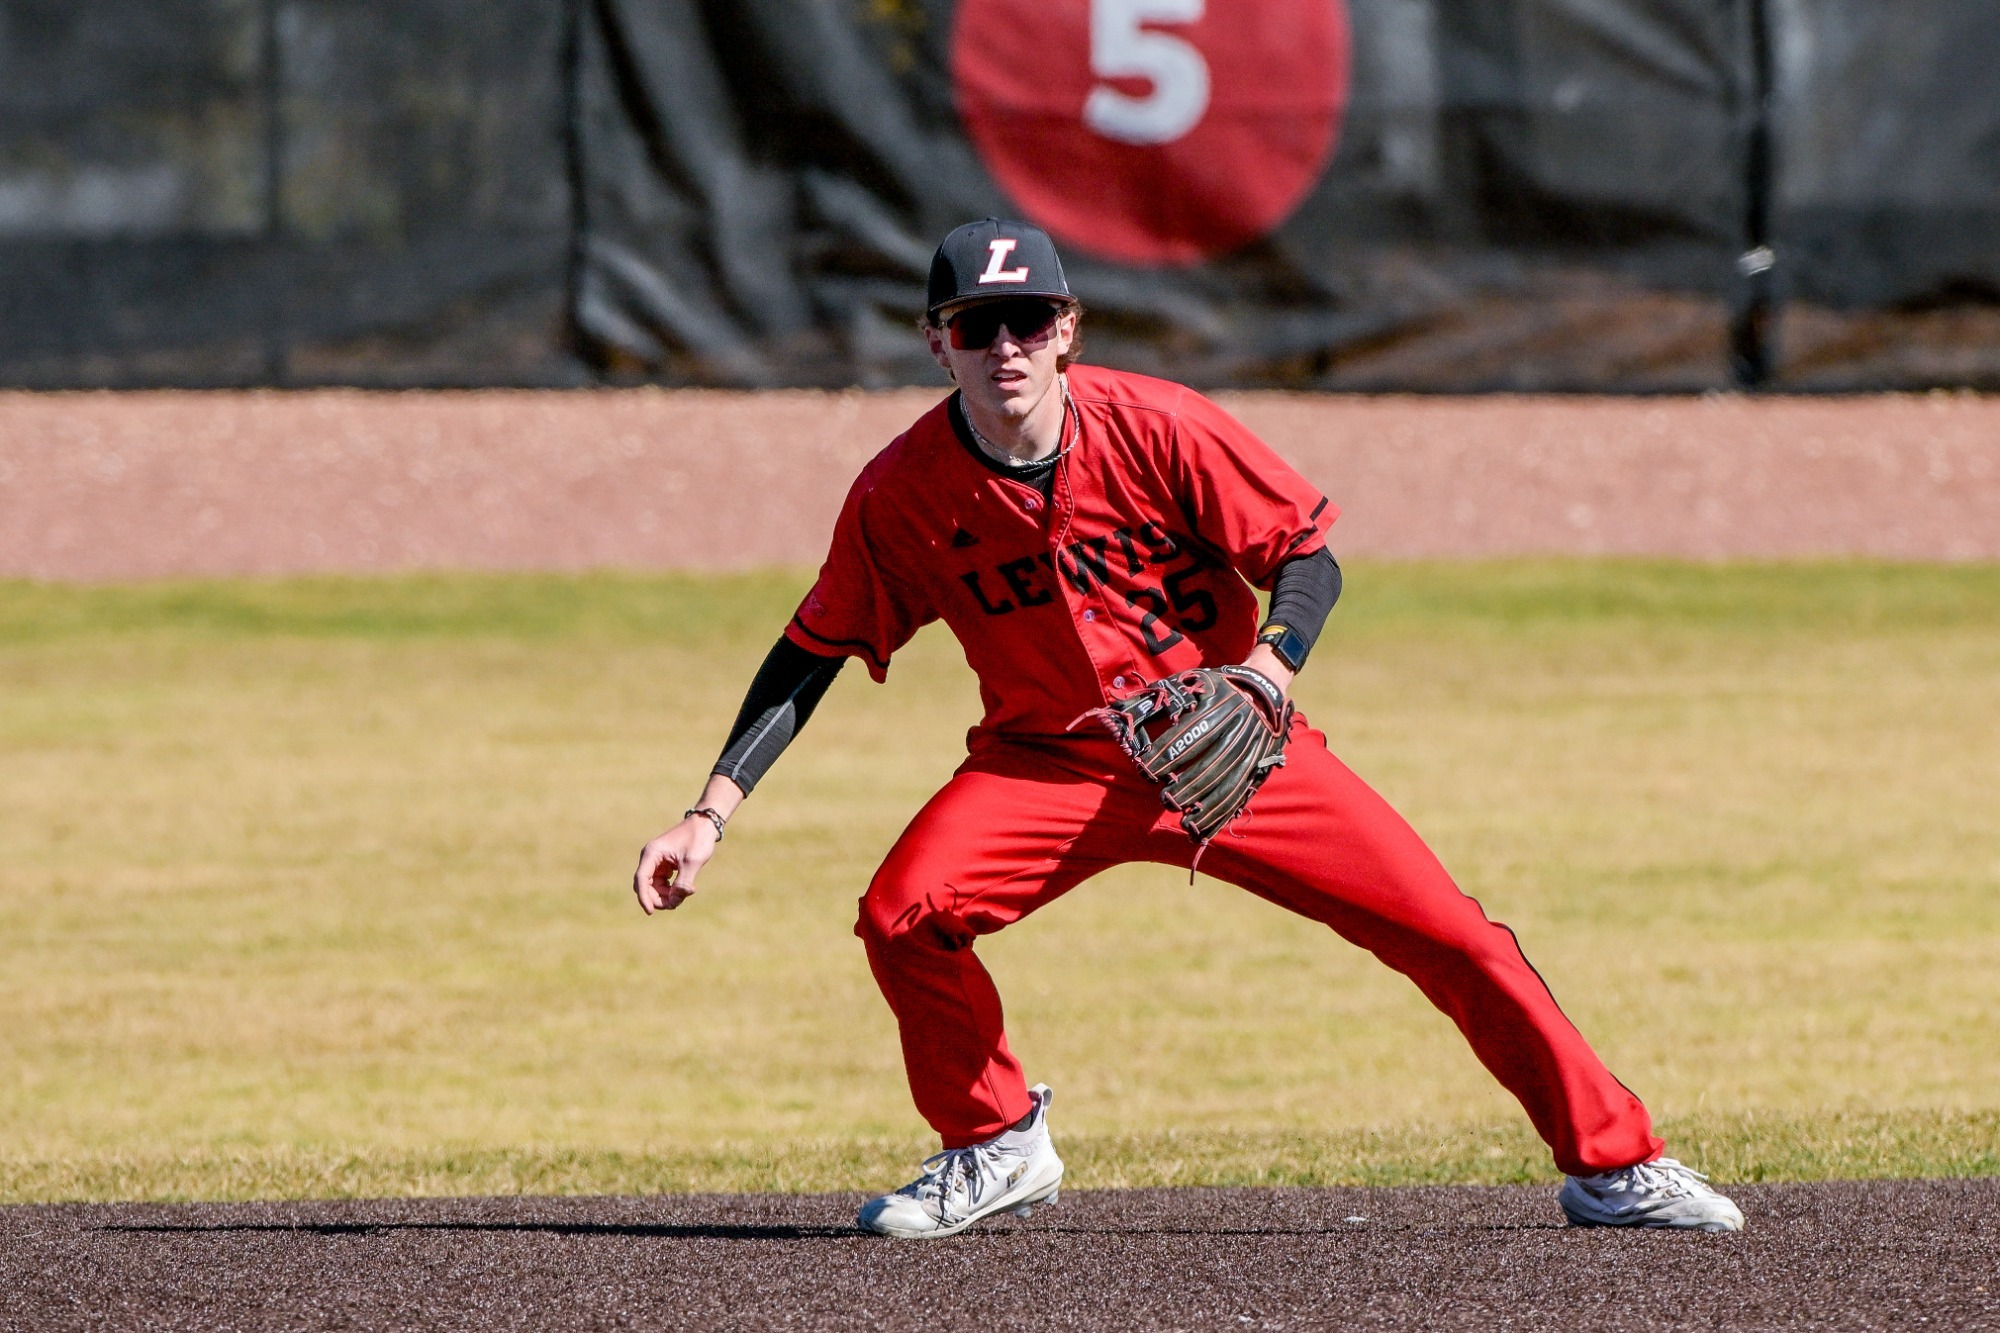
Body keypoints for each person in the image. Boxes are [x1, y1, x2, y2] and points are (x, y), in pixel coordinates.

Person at [631, 219, 1744, 1238]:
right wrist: (708, 815)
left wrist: (1266, 668)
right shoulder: (903, 492)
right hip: (1048, 765)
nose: (1004, 346)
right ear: (937, 344)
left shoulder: (1158, 427)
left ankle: (1615, 1162)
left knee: (1449, 935)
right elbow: (812, 647)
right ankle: (995, 1140)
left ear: (1066, 329)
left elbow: (1307, 556)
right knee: (901, 915)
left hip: (1235, 746)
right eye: (976, 325)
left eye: (1027, 322)